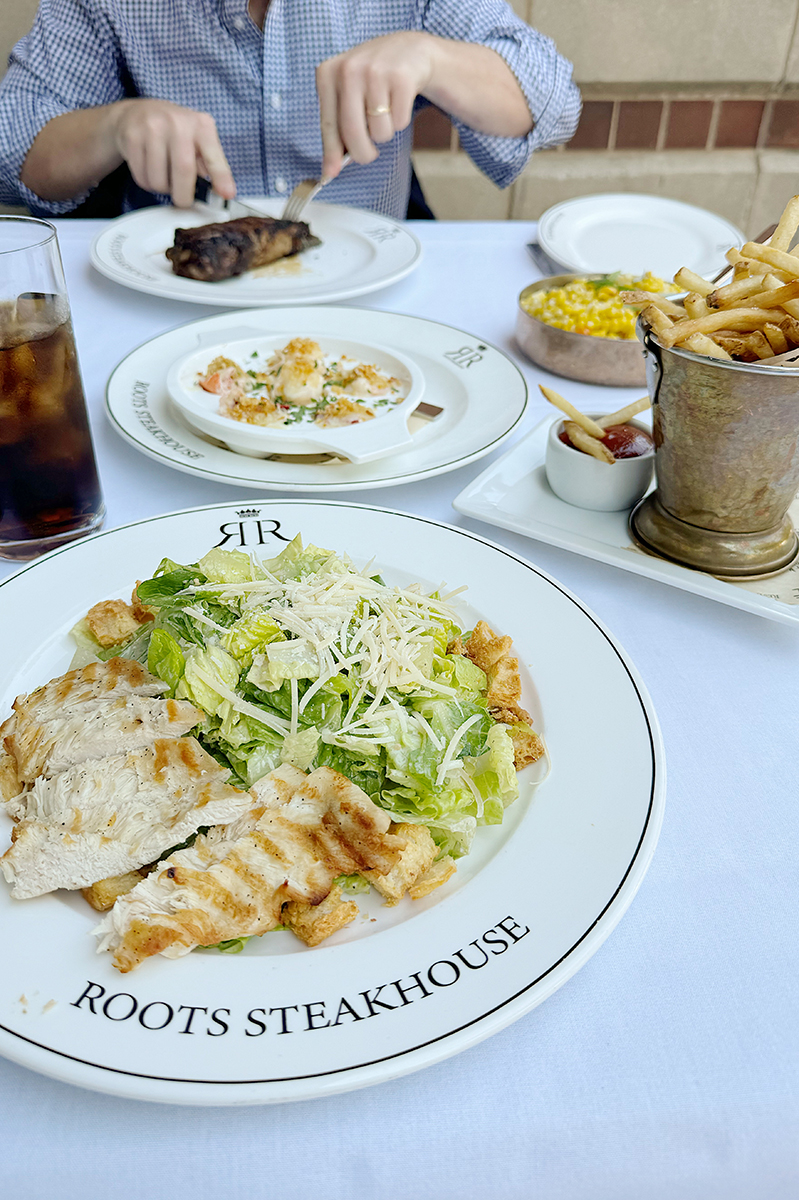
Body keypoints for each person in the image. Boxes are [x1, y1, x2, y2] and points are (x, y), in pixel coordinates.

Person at [0, 0, 580, 221]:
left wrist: (434, 58)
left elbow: (554, 103)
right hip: (172, 292)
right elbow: (13, 149)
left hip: (373, 291)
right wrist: (114, 124)